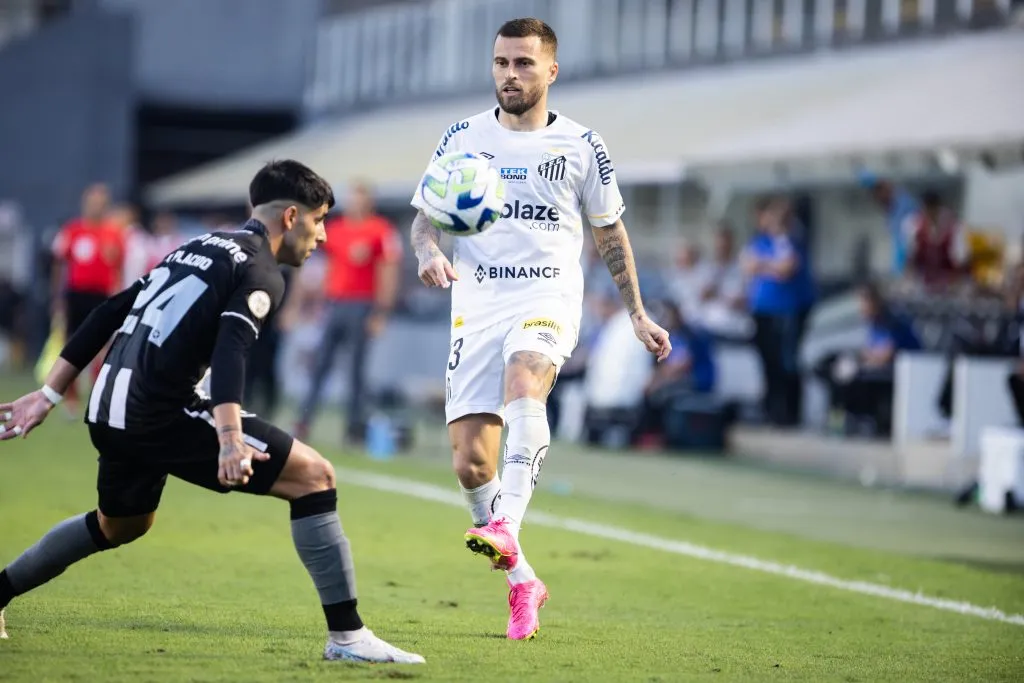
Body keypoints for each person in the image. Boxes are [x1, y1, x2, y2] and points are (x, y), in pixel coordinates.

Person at [0, 161, 424, 664]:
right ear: (291, 217)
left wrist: (48, 394)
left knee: (122, 525)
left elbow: (110, 310)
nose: (324, 236)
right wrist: (228, 437)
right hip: (158, 412)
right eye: (320, 220)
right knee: (315, 477)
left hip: (109, 410)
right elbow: (231, 351)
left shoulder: (195, 246)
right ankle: (349, 637)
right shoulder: (261, 269)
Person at [409, 18, 671, 640]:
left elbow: (609, 231)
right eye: (501, 62)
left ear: (551, 71)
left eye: (524, 64)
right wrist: (426, 251)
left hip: (545, 297)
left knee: (525, 378)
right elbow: (424, 219)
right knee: (472, 464)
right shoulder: (463, 136)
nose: (510, 75)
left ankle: (508, 525)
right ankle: (523, 580)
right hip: (476, 306)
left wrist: (636, 310)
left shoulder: (582, 146)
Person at [295, 182, 402, 445]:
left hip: (362, 305)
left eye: (359, 198)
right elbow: (321, 267)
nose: (354, 203)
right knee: (320, 365)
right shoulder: (335, 229)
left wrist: (381, 312)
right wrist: (309, 304)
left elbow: (388, 271)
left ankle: (353, 429)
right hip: (334, 304)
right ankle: (304, 421)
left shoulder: (380, 230)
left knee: (356, 371)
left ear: (369, 202)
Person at [51, 184, 125, 415]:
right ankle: (69, 398)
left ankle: (96, 395)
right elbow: (59, 265)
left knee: (102, 348)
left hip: (100, 296)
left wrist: (117, 298)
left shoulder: (114, 233)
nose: (95, 207)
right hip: (75, 294)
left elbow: (118, 269)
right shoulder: (72, 231)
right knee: (71, 344)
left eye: (100, 203)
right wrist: (58, 297)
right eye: (92, 202)